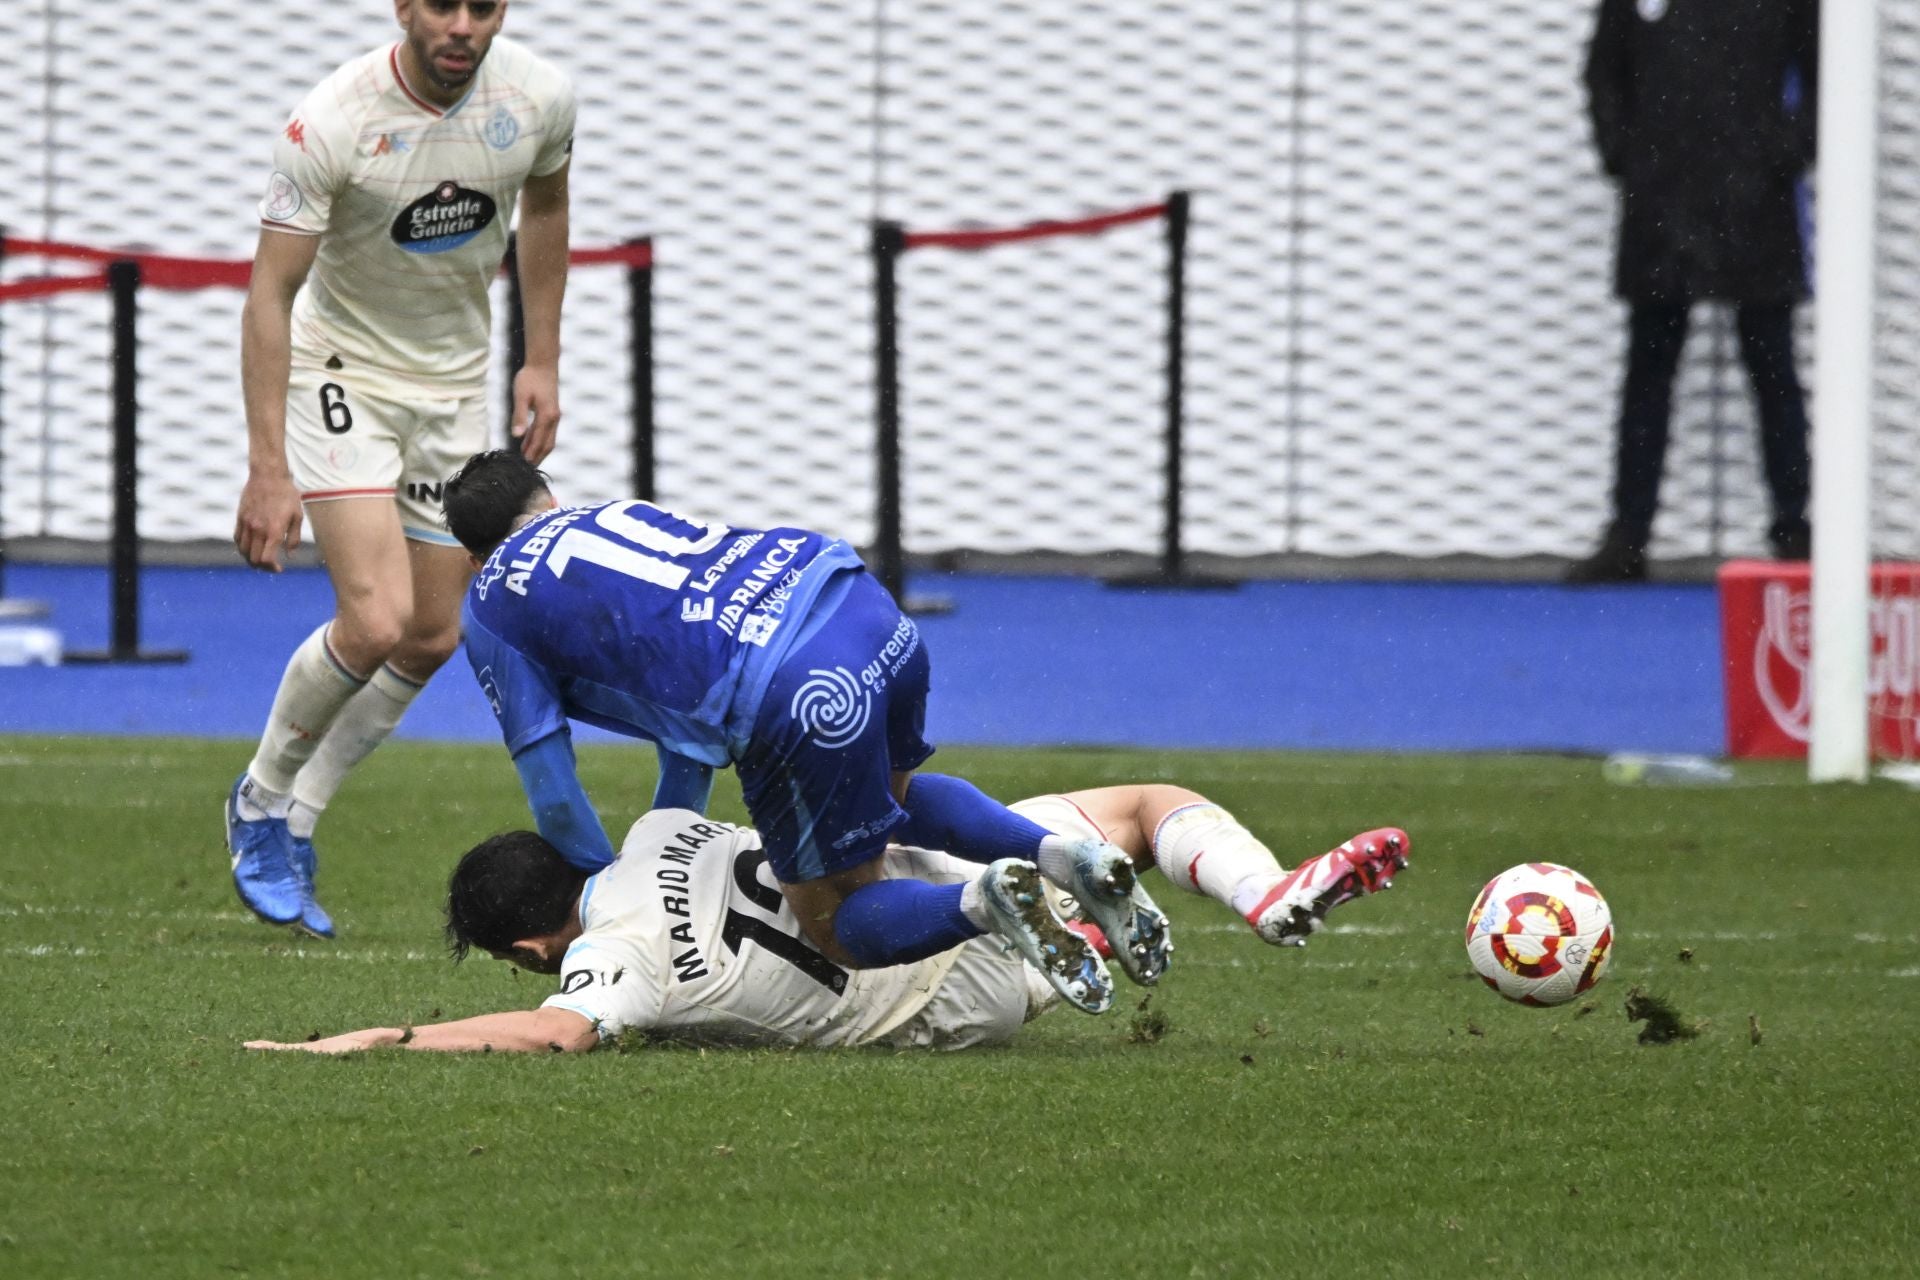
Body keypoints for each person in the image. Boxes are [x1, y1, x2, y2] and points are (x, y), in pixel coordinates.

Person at [439, 449, 1172, 1015]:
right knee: (887, 805)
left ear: (473, 558)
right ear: (549, 500)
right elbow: (683, 726)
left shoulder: (491, 605)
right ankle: (1058, 853)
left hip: (795, 691)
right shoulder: (607, 513)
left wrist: (618, 886)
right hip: (855, 601)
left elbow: (555, 790)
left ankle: (987, 900)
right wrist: (668, 834)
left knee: (837, 917)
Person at [225, 0, 575, 937]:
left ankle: (299, 817)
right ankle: (259, 802)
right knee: (373, 619)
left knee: (430, 634)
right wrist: (268, 468)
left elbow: (545, 209)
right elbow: (270, 295)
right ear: (403, 8)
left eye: (484, 6)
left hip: (454, 389)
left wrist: (541, 357)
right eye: (441, 4)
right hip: (342, 376)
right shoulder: (333, 121)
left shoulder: (538, 99)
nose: (462, 25)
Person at [245, 786, 1410, 1054]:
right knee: (1145, 807)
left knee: (1008, 959)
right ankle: (1264, 892)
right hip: (900, 856)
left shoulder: (611, 962)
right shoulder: (657, 828)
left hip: (935, 987)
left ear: (526, 946)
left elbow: (555, 1034)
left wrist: (383, 1038)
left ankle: (1060, 935)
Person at [1569, 0, 1818, 584]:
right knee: (1648, 371)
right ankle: (1628, 536)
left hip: (1756, 199)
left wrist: (1784, 152)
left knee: (1772, 365)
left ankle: (1797, 532)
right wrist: (1625, 156)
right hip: (1661, 197)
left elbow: (1824, 80)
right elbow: (1605, 69)